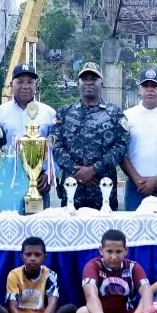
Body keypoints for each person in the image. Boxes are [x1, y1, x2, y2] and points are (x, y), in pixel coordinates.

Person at [51, 62, 127, 210]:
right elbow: (55, 144)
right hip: (72, 189)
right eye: (85, 78)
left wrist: (93, 170)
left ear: (102, 83)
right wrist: (76, 171)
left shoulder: (114, 113)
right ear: (79, 83)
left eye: (94, 78)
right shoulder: (65, 113)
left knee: (106, 232)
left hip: (103, 190)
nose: (89, 82)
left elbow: (121, 146)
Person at [0, 63, 54, 210]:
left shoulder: (49, 113)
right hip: (8, 181)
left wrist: (50, 174)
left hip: (39, 182)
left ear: (35, 85)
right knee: (8, 225)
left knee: (39, 228)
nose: (25, 86)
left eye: (30, 82)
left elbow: (56, 148)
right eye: (20, 82)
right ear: (11, 84)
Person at [76, 229, 153, 313]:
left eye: (118, 252)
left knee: (153, 307)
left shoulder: (133, 267)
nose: (114, 256)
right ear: (101, 250)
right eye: (109, 251)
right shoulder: (93, 266)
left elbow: (147, 292)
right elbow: (90, 296)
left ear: (125, 250)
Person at [121, 67, 157, 210]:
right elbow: (121, 153)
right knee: (132, 231)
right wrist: (137, 180)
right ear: (139, 89)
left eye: (154, 86)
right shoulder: (126, 116)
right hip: (136, 187)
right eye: (146, 86)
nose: (150, 90)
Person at [5, 236, 75, 313]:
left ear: (45, 257)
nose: (32, 258)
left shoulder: (50, 275)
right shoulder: (14, 274)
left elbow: (53, 303)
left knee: (71, 309)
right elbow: (12, 306)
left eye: (37, 255)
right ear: (21, 257)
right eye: (28, 254)